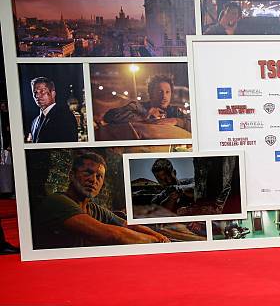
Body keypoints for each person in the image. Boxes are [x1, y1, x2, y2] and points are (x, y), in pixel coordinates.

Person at [30, 152, 169, 249]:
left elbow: (128, 225)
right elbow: (113, 236)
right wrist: (157, 241)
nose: (93, 180)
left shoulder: (93, 208)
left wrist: (160, 237)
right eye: (88, 173)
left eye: (99, 176)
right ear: (72, 175)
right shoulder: (58, 202)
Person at [103, 75, 187, 128]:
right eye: (160, 92)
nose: (164, 96)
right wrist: (144, 116)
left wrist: (177, 121)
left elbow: (195, 126)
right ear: (151, 93)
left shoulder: (175, 112)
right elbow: (109, 116)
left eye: (167, 92)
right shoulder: (138, 107)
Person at [28, 77, 78, 143]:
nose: (37, 95)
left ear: (53, 93)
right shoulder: (34, 122)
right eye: (35, 92)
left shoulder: (65, 117)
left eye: (42, 91)